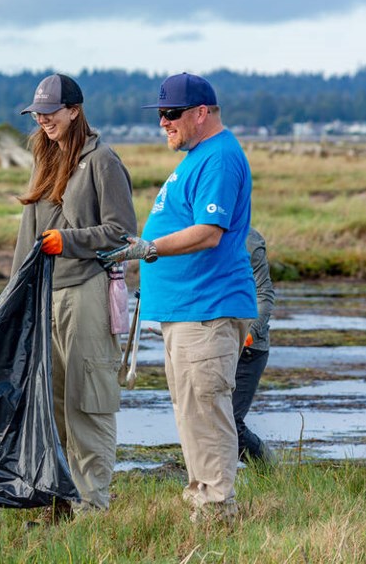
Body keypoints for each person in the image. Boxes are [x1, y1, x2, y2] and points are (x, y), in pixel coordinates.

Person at [98, 72, 256, 523]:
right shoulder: (198, 156)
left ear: (201, 113)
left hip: (207, 310)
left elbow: (209, 233)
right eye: (160, 115)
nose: (163, 123)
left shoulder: (220, 158)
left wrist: (148, 247)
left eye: (171, 114)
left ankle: (216, 509)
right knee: (191, 411)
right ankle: (205, 500)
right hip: (186, 310)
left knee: (205, 410)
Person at [11, 73, 137, 515]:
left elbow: (123, 232)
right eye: (38, 113)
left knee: (88, 404)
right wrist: (14, 298)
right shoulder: (43, 157)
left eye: (50, 111)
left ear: (74, 110)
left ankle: (93, 511)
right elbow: (28, 235)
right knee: (53, 405)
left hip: (87, 291)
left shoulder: (103, 160)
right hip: (46, 296)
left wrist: (72, 242)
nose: (43, 119)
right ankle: (59, 506)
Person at [235, 227, 276, 464]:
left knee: (230, 422)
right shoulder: (197, 234)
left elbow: (265, 293)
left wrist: (248, 335)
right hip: (214, 343)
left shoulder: (248, 240)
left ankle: (270, 472)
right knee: (204, 418)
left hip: (250, 350)